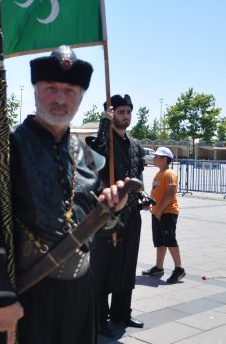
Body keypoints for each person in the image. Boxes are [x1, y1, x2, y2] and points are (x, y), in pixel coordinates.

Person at [0, 46, 137, 344]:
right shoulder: (2, 150)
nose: (60, 98)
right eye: (51, 88)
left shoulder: (88, 157)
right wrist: (2, 296)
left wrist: (113, 209)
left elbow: (98, 227)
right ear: (35, 91)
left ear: (81, 97)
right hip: (22, 294)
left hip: (80, 295)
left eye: (70, 90)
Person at [85, 94, 146, 334]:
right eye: (120, 112)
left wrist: (141, 196)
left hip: (131, 214)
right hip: (107, 214)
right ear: (111, 114)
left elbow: (137, 175)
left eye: (128, 112)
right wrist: (104, 123)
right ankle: (99, 318)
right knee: (102, 267)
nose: (126, 116)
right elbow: (96, 155)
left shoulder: (136, 145)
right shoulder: (102, 141)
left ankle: (122, 313)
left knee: (126, 264)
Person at [142, 147, 185, 284]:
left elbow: (171, 193)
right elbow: (156, 192)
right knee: (160, 242)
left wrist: (160, 210)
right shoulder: (158, 173)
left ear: (165, 159)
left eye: (157, 157)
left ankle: (179, 269)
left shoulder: (169, 173)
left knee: (170, 240)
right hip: (157, 212)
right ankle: (159, 267)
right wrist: (150, 203)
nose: (154, 158)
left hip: (167, 212)